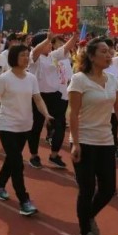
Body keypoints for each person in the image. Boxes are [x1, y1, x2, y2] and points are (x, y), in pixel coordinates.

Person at [68, 38, 118, 235]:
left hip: (105, 141)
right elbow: (72, 113)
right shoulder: (79, 80)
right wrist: (75, 142)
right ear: (91, 56)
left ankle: (87, 217)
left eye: (110, 52)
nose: (109, 55)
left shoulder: (111, 80)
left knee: (108, 190)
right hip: (84, 142)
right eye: (104, 52)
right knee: (87, 189)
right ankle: (84, 234)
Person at [0, 45, 53, 217]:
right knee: (18, 163)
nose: (26, 58)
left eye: (28, 55)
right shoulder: (4, 79)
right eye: (22, 55)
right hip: (7, 126)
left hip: (25, 126)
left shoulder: (31, 78)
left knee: (12, 160)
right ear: (13, 58)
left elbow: (38, 99)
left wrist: (47, 114)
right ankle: (24, 200)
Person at [27, 32, 78, 169]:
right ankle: (34, 155)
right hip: (38, 97)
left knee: (60, 126)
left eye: (50, 43)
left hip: (56, 96)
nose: (50, 45)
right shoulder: (34, 57)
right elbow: (36, 50)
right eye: (48, 43)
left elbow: (65, 49)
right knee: (36, 127)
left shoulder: (52, 56)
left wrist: (74, 36)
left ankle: (54, 155)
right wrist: (47, 39)